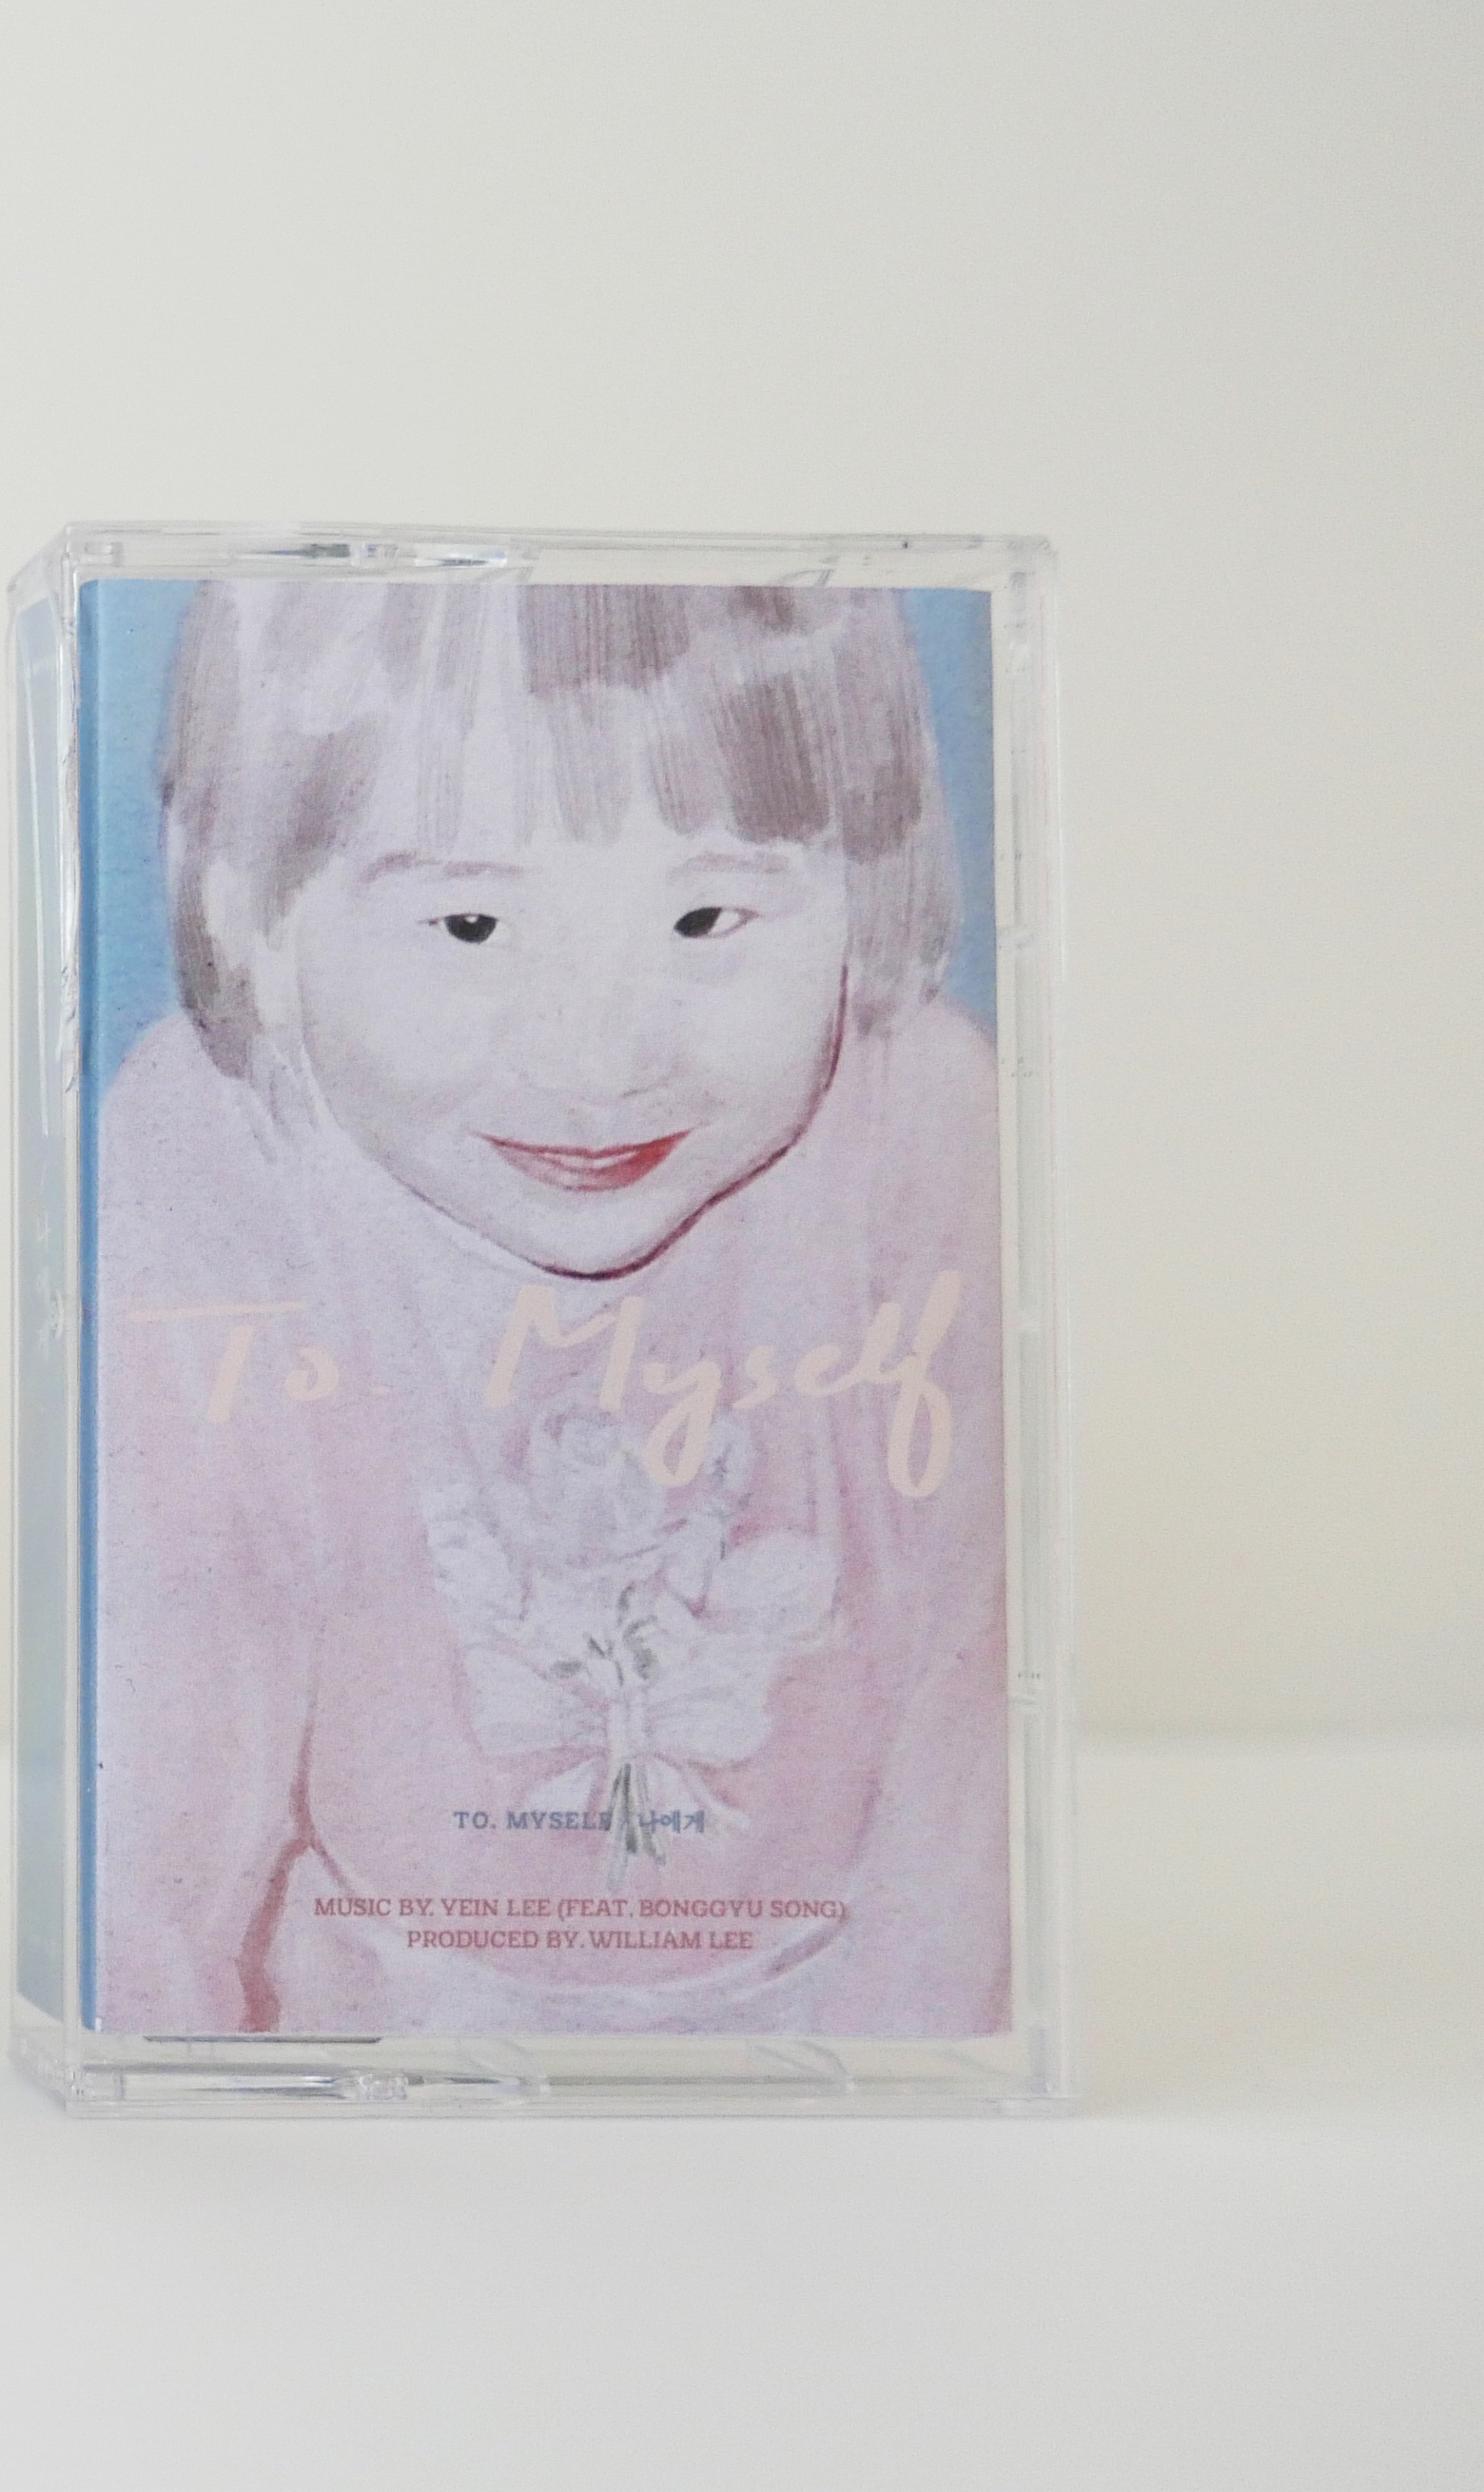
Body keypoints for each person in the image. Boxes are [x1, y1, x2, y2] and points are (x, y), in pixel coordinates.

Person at [93, 579, 1011, 2039]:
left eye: (708, 916)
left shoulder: (926, 1125)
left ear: (871, 899)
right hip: (360, 2044)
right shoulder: (215, 1142)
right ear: (250, 920)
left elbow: (969, 1759)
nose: (599, 1059)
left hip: (853, 2028)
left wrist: (906, 2103)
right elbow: (168, 1810)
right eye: (469, 925)